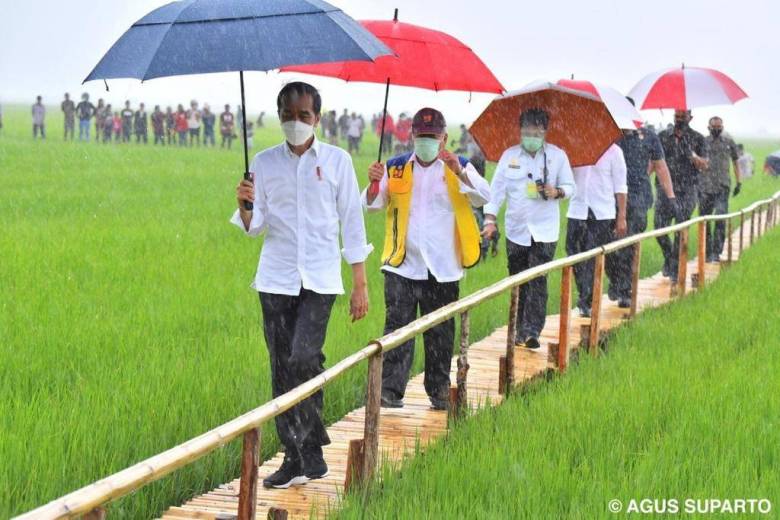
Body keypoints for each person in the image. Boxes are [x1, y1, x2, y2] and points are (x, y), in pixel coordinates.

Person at [233, 81, 371, 490]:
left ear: (318, 118)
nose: (296, 123)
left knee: (305, 358)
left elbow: (352, 220)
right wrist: (245, 206)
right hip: (275, 278)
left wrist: (360, 283)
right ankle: (294, 457)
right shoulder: (262, 162)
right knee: (280, 369)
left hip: (321, 278)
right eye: (288, 116)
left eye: (304, 116)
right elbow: (254, 228)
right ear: (279, 116)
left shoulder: (337, 161)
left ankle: (311, 443)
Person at [364, 107, 490, 409]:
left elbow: (483, 196)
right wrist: (372, 182)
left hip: (443, 267)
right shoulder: (394, 168)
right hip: (402, 264)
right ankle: (389, 391)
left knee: (441, 333)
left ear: (444, 138)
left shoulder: (459, 165)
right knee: (398, 329)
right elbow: (372, 204)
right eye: (421, 136)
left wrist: (459, 172)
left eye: (433, 137)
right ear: (412, 136)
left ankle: (439, 390)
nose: (426, 143)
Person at [483, 108, 575, 347]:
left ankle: (532, 330)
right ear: (520, 131)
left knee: (537, 278)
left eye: (536, 132)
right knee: (517, 280)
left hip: (545, 230)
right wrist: (490, 220)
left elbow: (570, 186)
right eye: (526, 132)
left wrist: (557, 191)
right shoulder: (509, 157)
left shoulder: (557, 156)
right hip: (516, 230)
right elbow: (496, 191)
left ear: (545, 131)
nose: (530, 136)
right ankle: (517, 328)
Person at [606, 100, 680, 307]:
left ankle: (625, 288)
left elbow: (661, 166)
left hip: (639, 197)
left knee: (629, 242)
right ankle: (615, 281)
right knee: (609, 244)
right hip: (610, 197)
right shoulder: (608, 135)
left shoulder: (648, 137)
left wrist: (671, 195)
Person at [567, 143, 627, 317]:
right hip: (577, 210)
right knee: (573, 254)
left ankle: (587, 300)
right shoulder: (576, 149)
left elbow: (621, 187)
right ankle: (584, 292)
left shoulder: (615, 152)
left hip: (601, 212)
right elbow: (566, 179)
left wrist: (621, 217)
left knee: (593, 256)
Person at [656, 110, 709, 281]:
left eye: (682, 117)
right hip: (665, 189)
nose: (679, 120)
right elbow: (654, 161)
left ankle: (674, 269)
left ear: (690, 118)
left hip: (688, 190)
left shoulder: (698, 138)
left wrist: (692, 154)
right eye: (676, 117)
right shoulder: (663, 136)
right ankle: (670, 258)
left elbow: (704, 165)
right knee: (659, 229)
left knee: (680, 229)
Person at [700, 117, 741, 263]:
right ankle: (706, 250)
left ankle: (716, 251)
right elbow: (696, 161)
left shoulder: (729, 142)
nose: (717, 129)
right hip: (705, 187)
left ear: (722, 127)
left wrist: (739, 182)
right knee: (704, 220)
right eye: (714, 127)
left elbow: (736, 161)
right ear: (709, 127)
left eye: (719, 126)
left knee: (720, 216)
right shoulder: (703, 142)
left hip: (723, 186)